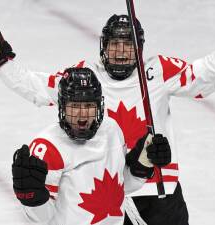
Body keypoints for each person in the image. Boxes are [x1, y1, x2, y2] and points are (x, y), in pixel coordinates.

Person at [0, 8, 215, 225]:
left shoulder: (158, 70)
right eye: (115, 45)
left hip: (158, 191)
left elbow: (202, 76)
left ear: (139, 48)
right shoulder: (84, 76)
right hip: (110, 196)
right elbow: (37, 88)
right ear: (103, 47)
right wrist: (0, 61)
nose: (121, 52)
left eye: (128, 45)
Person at [11, 67, 171, 225]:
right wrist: (31, 198)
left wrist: (141, 166)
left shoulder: (112, 131)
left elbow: (117, 190)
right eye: (74, 106)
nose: (82, 114)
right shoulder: (48, 147)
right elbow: (42, 218)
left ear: (99, 106)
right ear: (63, 106)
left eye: (88, 106)